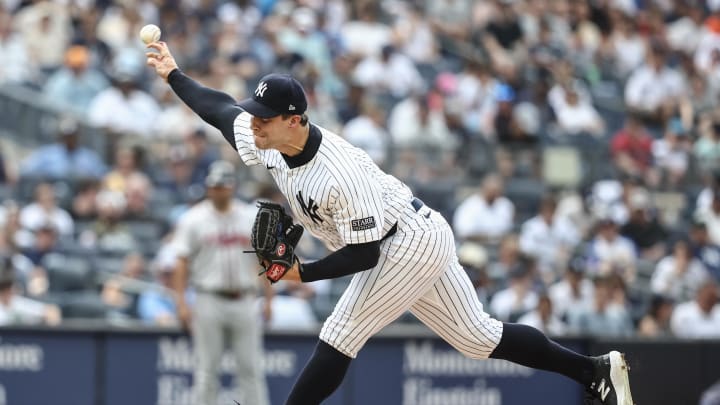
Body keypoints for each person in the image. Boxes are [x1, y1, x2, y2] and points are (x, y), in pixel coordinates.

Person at [146, 41, 634, 405]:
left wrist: (302, 273)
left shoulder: (340, 172)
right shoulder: (266, 140)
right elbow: (219, 109)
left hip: (406, 242)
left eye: (265, 118)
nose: (254, 123)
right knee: (478, 338)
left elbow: (366, 255)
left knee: (340, 331)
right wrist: (173, 74)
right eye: (257, 115)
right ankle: (594, 370)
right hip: (409, 235)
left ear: (295, 119)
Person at [170, 160, 273, 405]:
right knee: (206, 370)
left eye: (223, 185)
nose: (218, 190)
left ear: (232, 186)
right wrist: (182, 302)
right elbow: (181, 262)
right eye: (214, 186)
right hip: (208, 298)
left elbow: (264, 260)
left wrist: (269, 299)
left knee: (251, 370)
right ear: (208, 187)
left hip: (245, 298)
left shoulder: (249, 216)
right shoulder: (193, 219)